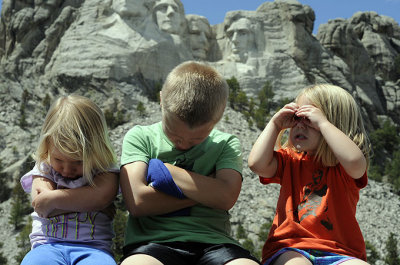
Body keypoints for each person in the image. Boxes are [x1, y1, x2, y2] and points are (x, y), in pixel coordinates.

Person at [119, 61, 261, 265]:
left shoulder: (226, 143)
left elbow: (227, 198)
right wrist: (208, 191)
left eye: (196, 140)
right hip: (153, 244)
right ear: (161, 100)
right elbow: (138, 202)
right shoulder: (140, 136)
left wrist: (168, 172)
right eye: (174, 135)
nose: (184, 144)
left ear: (219, 118)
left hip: (215, 244)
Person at [248, 84, 371, 265]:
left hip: (340, 251)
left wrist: (323, 124)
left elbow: (355, 162)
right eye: (296, 117)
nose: (299, 125)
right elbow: (256, 164)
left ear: (334, 123)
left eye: (308, 118)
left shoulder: (344, 167)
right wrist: (275, 123)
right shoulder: (290, 160)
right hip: (290, 247)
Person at [20, 95, 119, 265]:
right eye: (59, 160)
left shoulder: (105, 169)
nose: (67, 169)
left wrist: (55, 200)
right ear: (48, 147)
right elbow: (41, 204)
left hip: (94, 248)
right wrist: (86, 203)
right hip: (47, 245)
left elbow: (100, 197)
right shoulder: (44, 166)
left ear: (97, 151)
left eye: (78, 162)